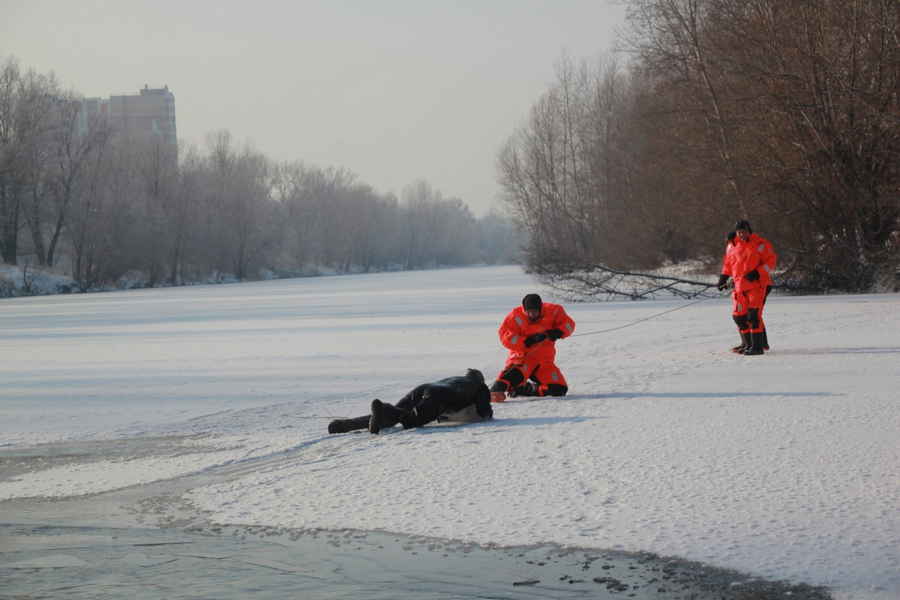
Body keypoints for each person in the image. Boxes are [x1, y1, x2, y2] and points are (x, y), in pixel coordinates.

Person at [327, 368, 493, 434]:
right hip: (440, 396)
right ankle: (385, 408)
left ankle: (345, 425)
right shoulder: (479, 386)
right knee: (410, 420)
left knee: (395, 412)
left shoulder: (455, 378)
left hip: (425, 387)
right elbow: (485, 412)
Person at [489, 293, 575, 402]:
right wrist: (527, 341)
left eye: (534, 311)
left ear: (541, 308)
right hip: (523, 358)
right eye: (528, 312)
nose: (531, 314)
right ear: (524, 309)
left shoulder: (554, 311)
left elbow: (569, 325)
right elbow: (505, 336)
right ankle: (495, 391)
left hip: (544, 361)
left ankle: (523, 389)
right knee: (513, 375)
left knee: (559, 389)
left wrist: (558, 331)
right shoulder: (515, 316)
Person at [719, 220, 776, 355]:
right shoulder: (732, 245)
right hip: (739, 287)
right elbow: (728, 263)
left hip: (758, 285)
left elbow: (771, 262)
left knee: (754, 316)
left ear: (749, 231)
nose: (742, 234)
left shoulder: (760, 244)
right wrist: (723, 277)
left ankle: (758, 346)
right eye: (739, 232)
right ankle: (747, 344)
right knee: (739, 317)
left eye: (744, 231)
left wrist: (758, 272)